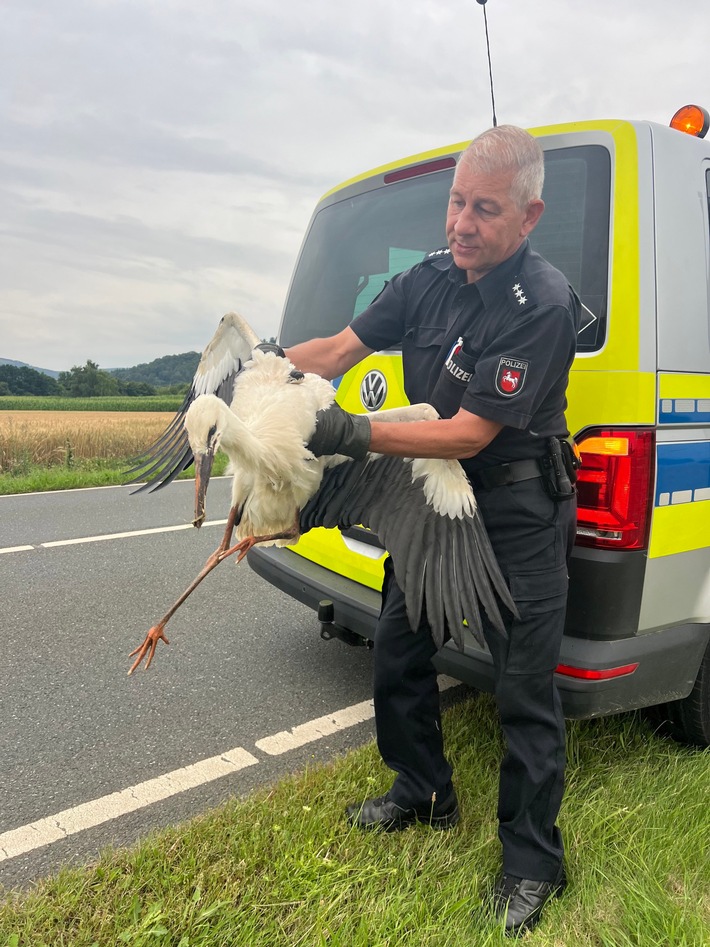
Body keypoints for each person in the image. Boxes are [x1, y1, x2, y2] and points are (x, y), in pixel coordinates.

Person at [282, 125, 580, 936]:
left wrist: (352, 434)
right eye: (456, 203)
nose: (461, 224)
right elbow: (338, 350)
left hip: (516, 506)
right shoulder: (427, 280)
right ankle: (422, 791)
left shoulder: (541, 305)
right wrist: (270, 376)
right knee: (399, 645)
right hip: (434, 497)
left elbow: (469, 433)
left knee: (523, 689)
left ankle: (531, 862)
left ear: (529, 215)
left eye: (484, 210)